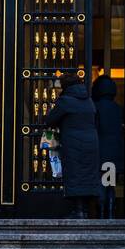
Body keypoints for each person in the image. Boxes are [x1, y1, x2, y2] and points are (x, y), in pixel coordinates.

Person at [43, 71, 100, 218]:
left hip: (73, 142)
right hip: (91, 142)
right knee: (88, 174)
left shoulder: (65, 101)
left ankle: (78, 210)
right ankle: (86, 211)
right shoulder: (88, 100)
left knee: (74, 174)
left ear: (65, 86)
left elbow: (50, 120)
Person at [91, 74, 124, 219]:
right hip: (114, 152)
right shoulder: (118, 109)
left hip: (99, 151)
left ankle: (101, 212)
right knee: (110, 183)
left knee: (101, 184)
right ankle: (110, 212)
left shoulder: (95, 108)